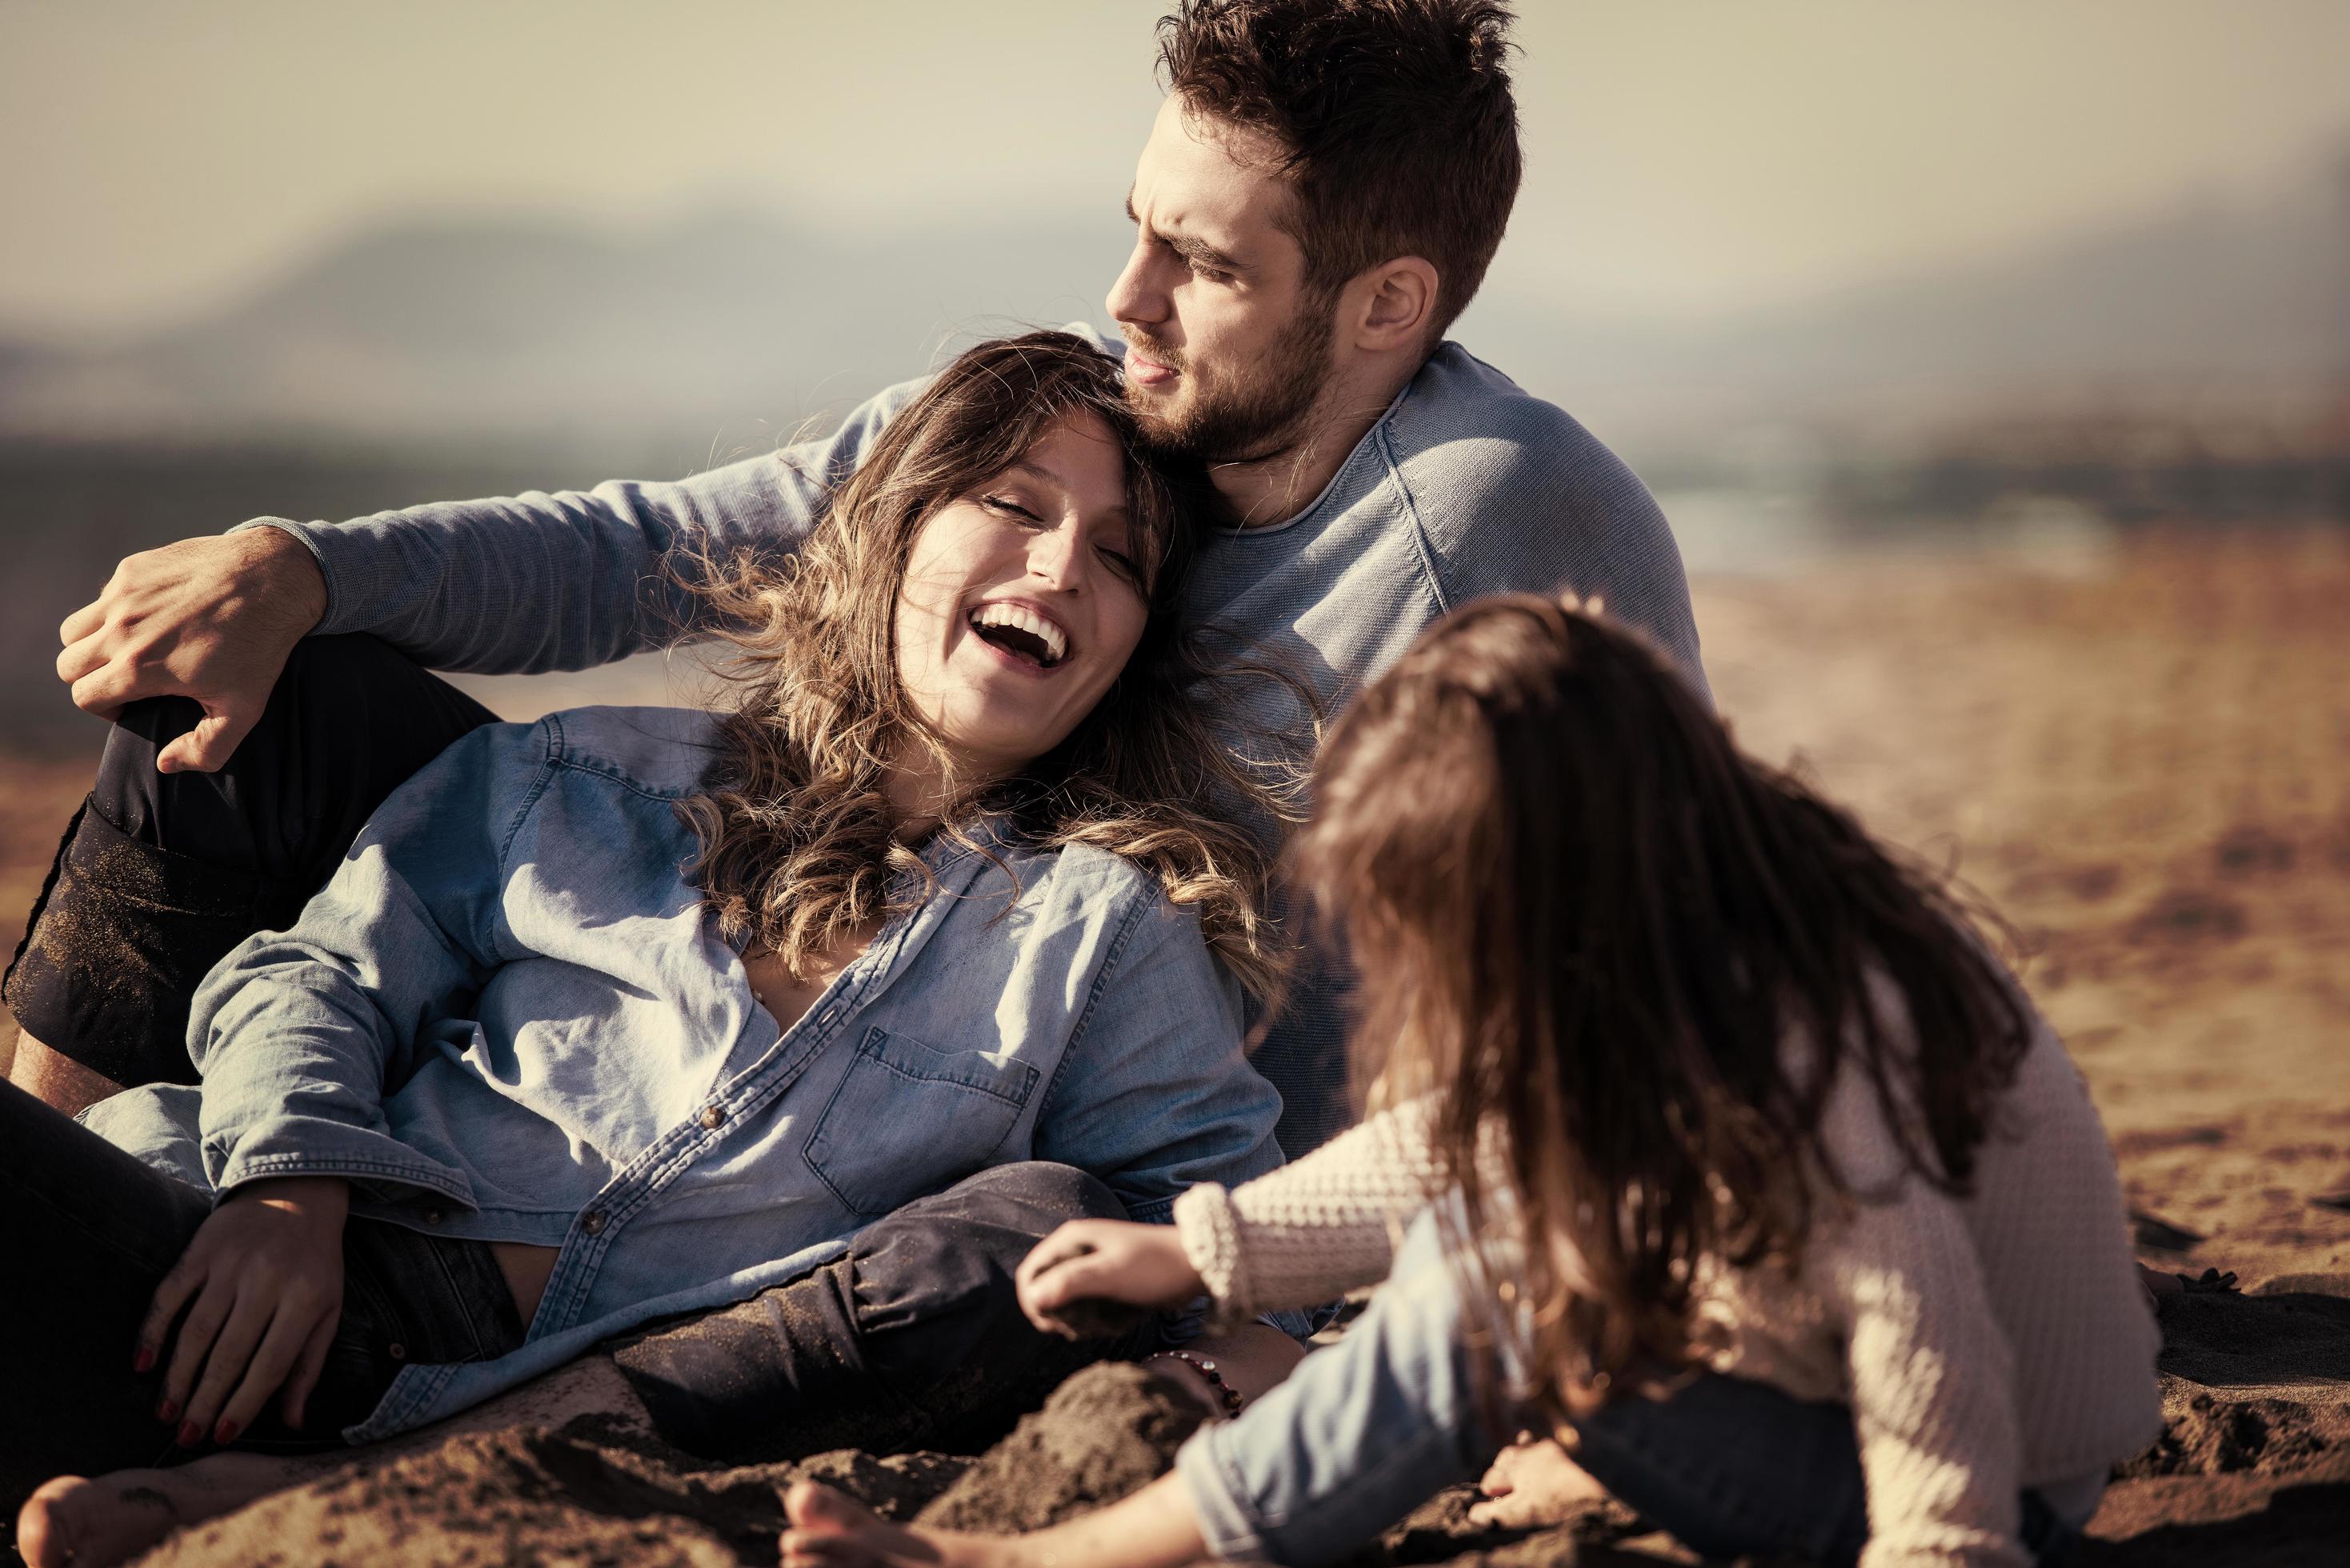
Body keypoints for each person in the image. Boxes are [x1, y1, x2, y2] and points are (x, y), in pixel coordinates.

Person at [9, 0, 1708, 1166]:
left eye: (1200, 264)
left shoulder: (1505, 518)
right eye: (1135, 225)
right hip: (790, 957)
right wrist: (303, 563)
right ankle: (60, 1193)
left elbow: (1671, 939)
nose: (1126, 294)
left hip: (1048, 1117)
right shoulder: (1061, 425)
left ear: (1386, 309)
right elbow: (642, 549)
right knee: (244, 715)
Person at [6, 333, 1318, 1559]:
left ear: (1134, 645)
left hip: (647, 1415)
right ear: (890, 533)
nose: (1059, 567)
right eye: (1016, 506)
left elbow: (1227, 1246)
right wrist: (287, 1190)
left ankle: (354, 1499)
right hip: (258, 1296)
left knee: (1038, 1232)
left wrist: (1221, 1373)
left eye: (1122, 558)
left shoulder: (1102, 931)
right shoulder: (593, 771)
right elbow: (321, 974)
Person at [777, 594, 2164, 1568]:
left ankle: (1043, 1563)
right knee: (1487, 1253)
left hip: (1966, 1497)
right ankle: (1566, 1432)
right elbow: (1467, 1137)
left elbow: (1929, 1340)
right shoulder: (1732, 897)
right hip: (1815, 1398)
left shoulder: (1800, 1039)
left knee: (1496, 1296)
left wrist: (1942, 1548)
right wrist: (1191, 1249)